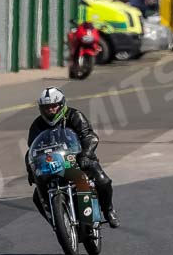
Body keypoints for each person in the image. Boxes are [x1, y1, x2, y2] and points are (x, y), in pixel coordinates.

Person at [26, 87, 120, 228]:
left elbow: (89, 136)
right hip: (52, 164)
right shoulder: (37, 125)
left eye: (53, 106)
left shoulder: (74, 115)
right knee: (37, 197)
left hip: (77, 158)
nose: (50, 110)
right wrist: (31, 170)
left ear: (62, 104)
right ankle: (57, 222)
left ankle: (108, 210)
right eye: (46, 107)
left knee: (103, 181)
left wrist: (86, 154)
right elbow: (32, 149)